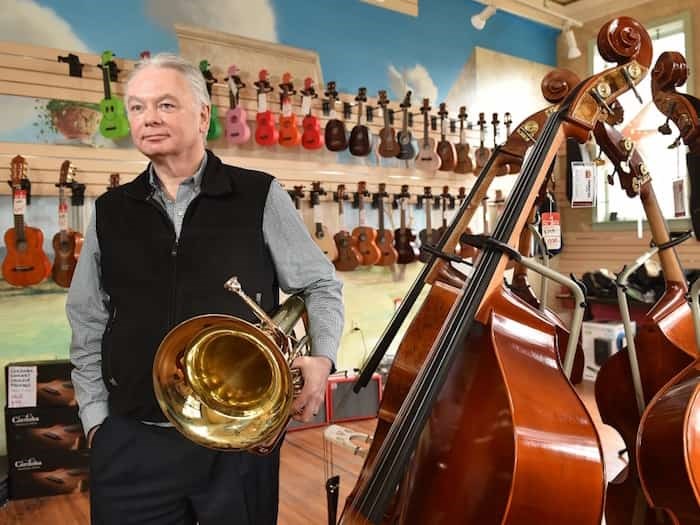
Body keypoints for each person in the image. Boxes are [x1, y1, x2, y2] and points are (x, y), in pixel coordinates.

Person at [67, 53, 344, 525]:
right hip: (134, 440)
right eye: (136, 107)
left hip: (239, 448)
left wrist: (323, 358)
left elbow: (319, 284)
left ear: (202, 114)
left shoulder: (259, 193)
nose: (148, 118)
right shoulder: (110, 209)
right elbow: (88, 316)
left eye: (165, 105)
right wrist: (97, 421)